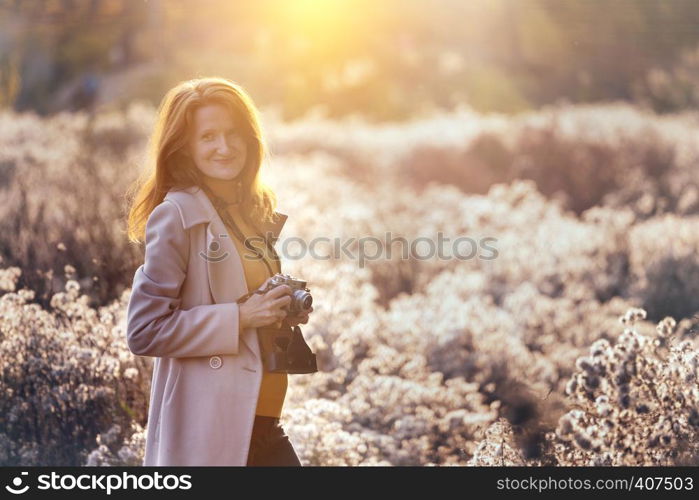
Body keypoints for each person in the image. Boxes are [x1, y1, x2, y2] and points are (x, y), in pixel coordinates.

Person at [124, 77, 312, 466]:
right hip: (214, 428)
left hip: (264, 422)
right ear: (185, 148)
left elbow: (244, 297)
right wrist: (241, 317)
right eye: (208, 137)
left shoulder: (249, 212)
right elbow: (144, 330)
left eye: (233, 134)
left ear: (250, 140)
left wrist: (279, 310)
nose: (224, 148)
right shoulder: (176, 215)